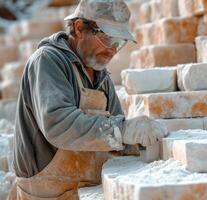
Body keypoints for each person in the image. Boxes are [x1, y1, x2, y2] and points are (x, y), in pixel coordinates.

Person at [9, 0, 168, 199]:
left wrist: (141, 139)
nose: (112, 50)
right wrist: (123, 130)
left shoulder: (101, 76)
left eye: (119, 43)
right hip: (45, 193)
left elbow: (115, 137)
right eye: (108, 39)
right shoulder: (48, 61)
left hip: (85, 191)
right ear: (79, 28)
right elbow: (58, 124)